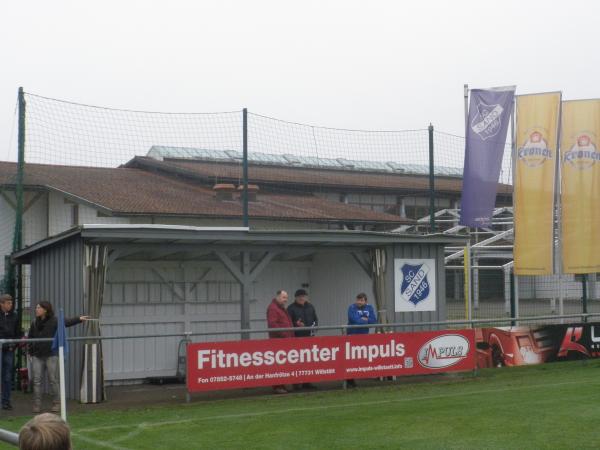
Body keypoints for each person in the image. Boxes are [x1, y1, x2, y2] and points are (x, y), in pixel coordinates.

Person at [27, 301, 88, 413]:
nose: (36, 309)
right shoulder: (34, 322)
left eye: (39, 308)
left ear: (45, 310)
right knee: (37, 381)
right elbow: (30, 338)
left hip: (51, 355)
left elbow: (67, 322)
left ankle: (56, 403)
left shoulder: (55, 320)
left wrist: (79, 319)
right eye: (36, 308)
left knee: (53, 380)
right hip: (37, 356)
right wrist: (30, 352)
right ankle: (37, 405)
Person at [287, 289, 318, 390]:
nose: (301, 298)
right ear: (295, 298)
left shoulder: (311, 307)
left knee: (308, 362)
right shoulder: (290, 308)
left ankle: (307, 382)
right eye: (299, 296)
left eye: (303, 296)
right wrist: (296, 325)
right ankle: (296, 383)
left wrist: (314, 327)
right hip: (296, 339)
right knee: (296, 362)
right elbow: (288, 324)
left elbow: (315, 320)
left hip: (309, 338)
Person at [346, 293, 377, 388]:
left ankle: (366, 376)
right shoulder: (351, 307)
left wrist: (364, 320)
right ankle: (349, 380)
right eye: (358, 300)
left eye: (361, 300)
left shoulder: (370, 308)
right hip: (352, 336)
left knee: (363, 358)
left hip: (364, 337)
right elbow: (354, 320)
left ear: (365, 301)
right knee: (351, 359)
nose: (359, 302)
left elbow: (373, 321)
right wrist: (365, 320)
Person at [266, 290, 294, 394]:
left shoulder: (280, 308)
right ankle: (278, 386)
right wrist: (284, 334)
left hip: (285, 340)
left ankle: (283, 384)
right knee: (278, 365)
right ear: (277, 297)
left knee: (283, 364)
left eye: (286, 298)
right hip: (278, 341)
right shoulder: (273, 308)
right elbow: (272, 325)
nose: (285, 300)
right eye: (283, 297)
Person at [0, 293, 22, 410]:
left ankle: (6, 401)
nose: (11, 305)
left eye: (11, 303)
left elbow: (18, 332)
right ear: (1, 304)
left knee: (7, 376)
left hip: (9, 349)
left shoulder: (14, 316)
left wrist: (14, 345)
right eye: (8, 303)